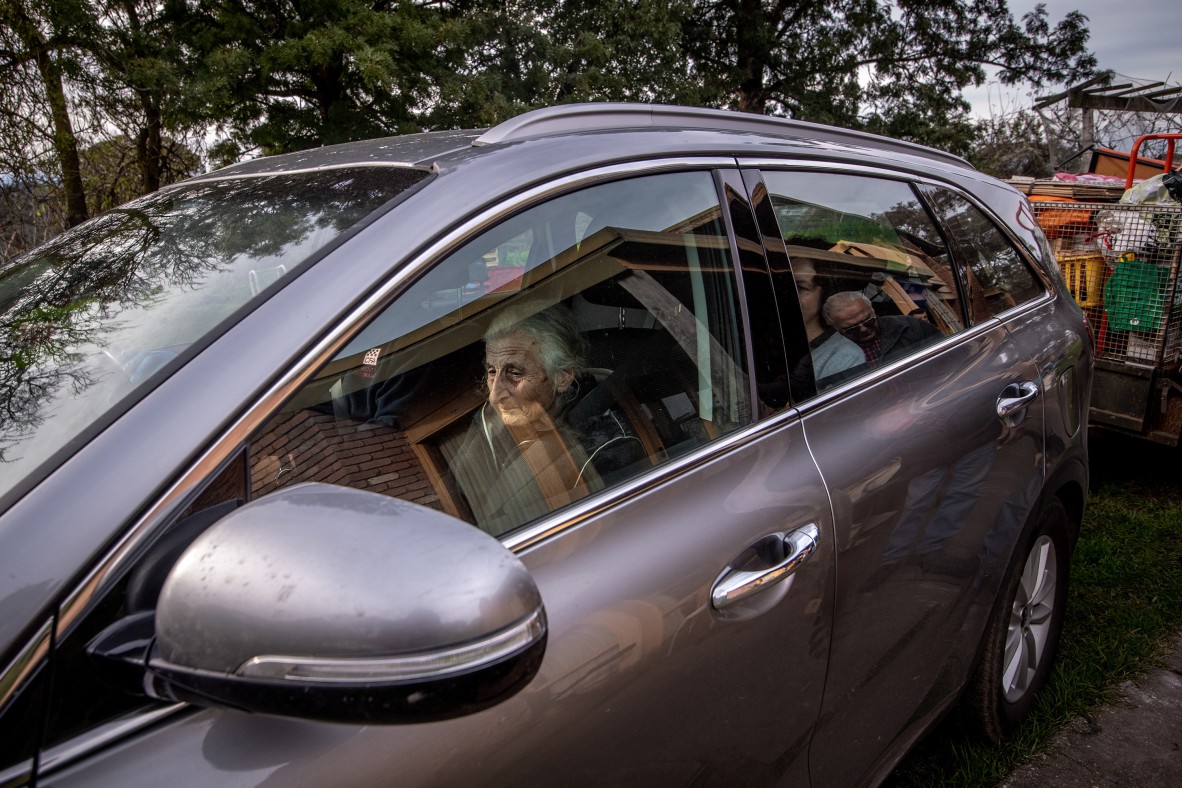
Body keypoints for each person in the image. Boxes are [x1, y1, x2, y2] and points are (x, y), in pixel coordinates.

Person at [447, 302, 643, 536]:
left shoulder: (606, 445)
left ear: (562, 377)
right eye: (492, 371)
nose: (494, 395)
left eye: (515, 373)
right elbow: (456, 492)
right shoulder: (490, 420)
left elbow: (599, 539)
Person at [793, 260, 865, 384]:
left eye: (800, 287)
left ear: (825, 295)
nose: (782, 292)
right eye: (778, 282)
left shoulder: (845, 356)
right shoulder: (765, 336)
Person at [823, 291, 940, 366]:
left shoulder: (910, 326)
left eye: (868, 321)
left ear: (873, 311)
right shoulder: (827, 358)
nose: (863, 329)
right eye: (852, 328)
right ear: (837, 329)